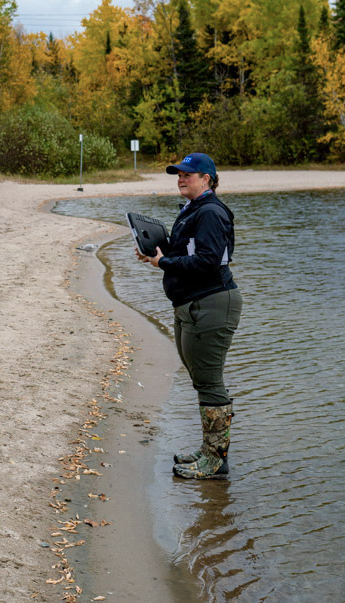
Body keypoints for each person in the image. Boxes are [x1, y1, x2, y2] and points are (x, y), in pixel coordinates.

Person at [137, 153, 242, 480]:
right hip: (194, 303)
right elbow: (193, 254)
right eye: (178, 174)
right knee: (202, 379)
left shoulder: (210, 212)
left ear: (206, 179)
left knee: (210, 381)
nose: (181, 179)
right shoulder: (194, 209)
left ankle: (216, 460)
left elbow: (209, 262)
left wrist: (164, 263)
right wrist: (160, 252)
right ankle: (209, 450)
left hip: (211, 303)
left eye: (188, 174)